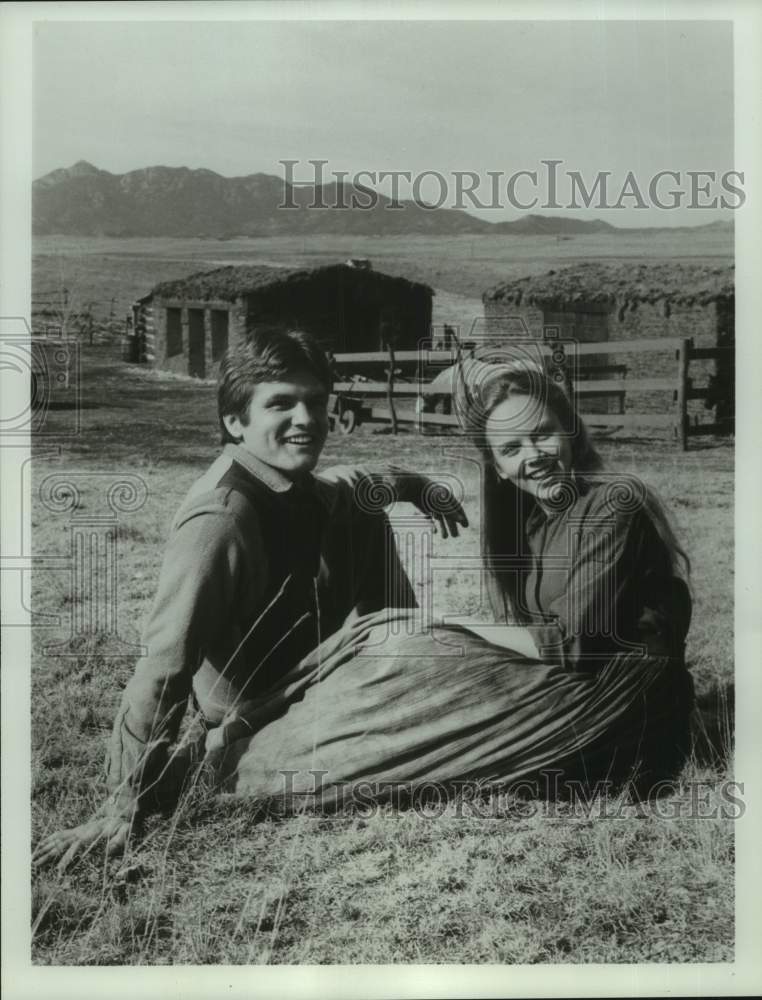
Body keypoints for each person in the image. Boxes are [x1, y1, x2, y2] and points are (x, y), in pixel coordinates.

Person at [118, 360, 694, 809]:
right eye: (511, 449)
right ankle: (236, 750)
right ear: (495, 466)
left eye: (543, 435)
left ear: (570, 431)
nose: (533, 458)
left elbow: (573, 645)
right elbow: (163, 657)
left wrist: (436, 628)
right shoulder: (536, 521)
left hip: (625, 698)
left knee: (404, 721)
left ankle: (233, 769)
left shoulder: (612, 505)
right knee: (399, 676)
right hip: (568, 681)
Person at [34, 330, 467, 869]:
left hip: (313, 672)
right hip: (260, 711)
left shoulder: (286, 479)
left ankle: (403, 660)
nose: (306, 419)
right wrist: (120, 802)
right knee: (452, 744)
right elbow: (164, 664)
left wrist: (416, 483)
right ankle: (223, 760)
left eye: (315, 402)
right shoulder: (221, 517)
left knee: (365, 508)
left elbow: (349, 482)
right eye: (281, 404)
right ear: (235, 421)